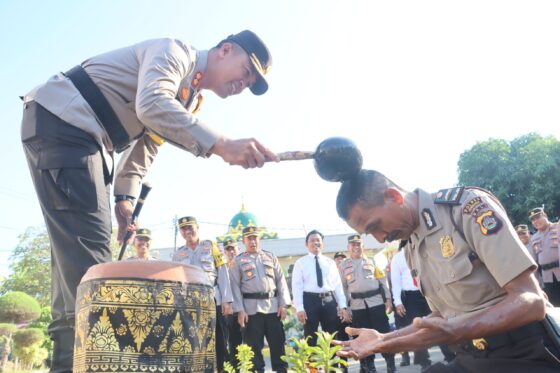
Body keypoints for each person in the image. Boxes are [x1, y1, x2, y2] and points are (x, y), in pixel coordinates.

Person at [20, 30, 276, 372]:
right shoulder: (174, 52)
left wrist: (125, 198)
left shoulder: (188, 97)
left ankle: (68, 365)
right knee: (95, 274)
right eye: (246, 71)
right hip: (68, 125)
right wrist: (221, 145)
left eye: (251, 82)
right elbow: (152, 104)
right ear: (225, 50)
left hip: (72, 132)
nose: (243, 83)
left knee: (73, 272)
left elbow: (147, 147)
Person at [333, 169, 559, 372]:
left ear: (394, 196)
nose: (380, 238)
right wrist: (383, 340)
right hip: (471, 357)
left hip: (524, 354)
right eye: (368, 233)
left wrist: (458, 330)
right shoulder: (410, 244)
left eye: (375, 226)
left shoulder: (465, 208)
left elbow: (531, 300)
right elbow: (443, 315)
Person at [172, 216, 232, 371]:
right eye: (184, 229)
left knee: (219, 341)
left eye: (190, 227)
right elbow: (175, 282)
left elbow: (223, 272)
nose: (187, 231)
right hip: (190, 304)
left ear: (197, 227)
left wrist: (227, 300)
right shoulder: (178, 254)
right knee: (194, 341)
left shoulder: (211, 246)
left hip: (213, 300)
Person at [230, 226, 291, 373]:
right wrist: (240, 310)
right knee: (254, 354)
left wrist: (283, 304)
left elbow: (281, 281)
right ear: (244, 241)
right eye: (249, 238)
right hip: (251, 311)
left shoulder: (270, 257)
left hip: (273, 308)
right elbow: (234, 287)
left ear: (259, 239)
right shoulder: (238, 261)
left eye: (255, 237)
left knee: (278, 349)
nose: (253, 241)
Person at [391, 241, 456, 369]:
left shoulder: (423, 250)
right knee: (418, 328)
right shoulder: (398, 258)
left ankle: (450, 355)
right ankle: (423, 362)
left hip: (428, 292)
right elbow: (395, 281)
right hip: (411, 297)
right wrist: (397, 302)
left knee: (439, 323)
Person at [339, 234, 396, 373]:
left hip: (375, 303)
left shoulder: (372, 261)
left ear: (363, 246)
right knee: (361, 337)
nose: (356, 247)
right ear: (348, 248)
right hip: (357, 306)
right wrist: (344, 308)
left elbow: (383, 281)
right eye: (353, 245)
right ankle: (368, 366)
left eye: (359, 244)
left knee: (383, 333)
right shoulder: (343, 265)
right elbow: (342, 287)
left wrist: (388, 299)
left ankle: (390, 363)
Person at [291, 230, 350, 346]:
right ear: (306, 244)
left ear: (322, 243)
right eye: (312, 240)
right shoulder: (300, 263)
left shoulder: (330, 262)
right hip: (310, 301)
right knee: (310, 336)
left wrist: (343, 306)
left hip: (329, 300)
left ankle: (333, 363)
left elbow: (337, 285)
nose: (315, 243)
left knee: (332, 335)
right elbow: (297, 287)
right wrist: (299, 308)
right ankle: (312, 365)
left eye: (318, 240)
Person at [529, 207, 560, 306]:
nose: (536, 221)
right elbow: (534, 261)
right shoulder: (534, 238)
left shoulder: (558, 227)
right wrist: (537, 282)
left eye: (538, 217)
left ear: (545, 216)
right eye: (533, 220)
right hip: (547, 277)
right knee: (555, 305)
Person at [223, 238, 243, 369]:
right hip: (231, 313)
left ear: (238, 249)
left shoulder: (246, 264)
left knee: (250, 344)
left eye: (233, 248)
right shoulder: (223, 268)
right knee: (233, 345)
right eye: (228, 249)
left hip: (248, 310)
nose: (231, 252)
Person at [516, 224, 543, 288]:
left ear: (528, 232)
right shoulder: (516, 247)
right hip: (527, 282)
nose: (521, 236)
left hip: (541, 277)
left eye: (523, 233)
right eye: (519, 234)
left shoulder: (535, 241)